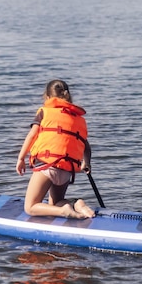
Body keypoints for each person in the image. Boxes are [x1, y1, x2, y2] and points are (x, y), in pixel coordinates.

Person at [16, 79, 95, 219]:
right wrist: (86, 163)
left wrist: (21, 158)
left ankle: (64, 211)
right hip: (66, 169)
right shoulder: (76, 118)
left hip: (47, 166)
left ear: (47, 97)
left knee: (30, 207)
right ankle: (76, 203)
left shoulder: (44, 112)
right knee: (56, 203)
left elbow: (32, 135)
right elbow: (85, 146)